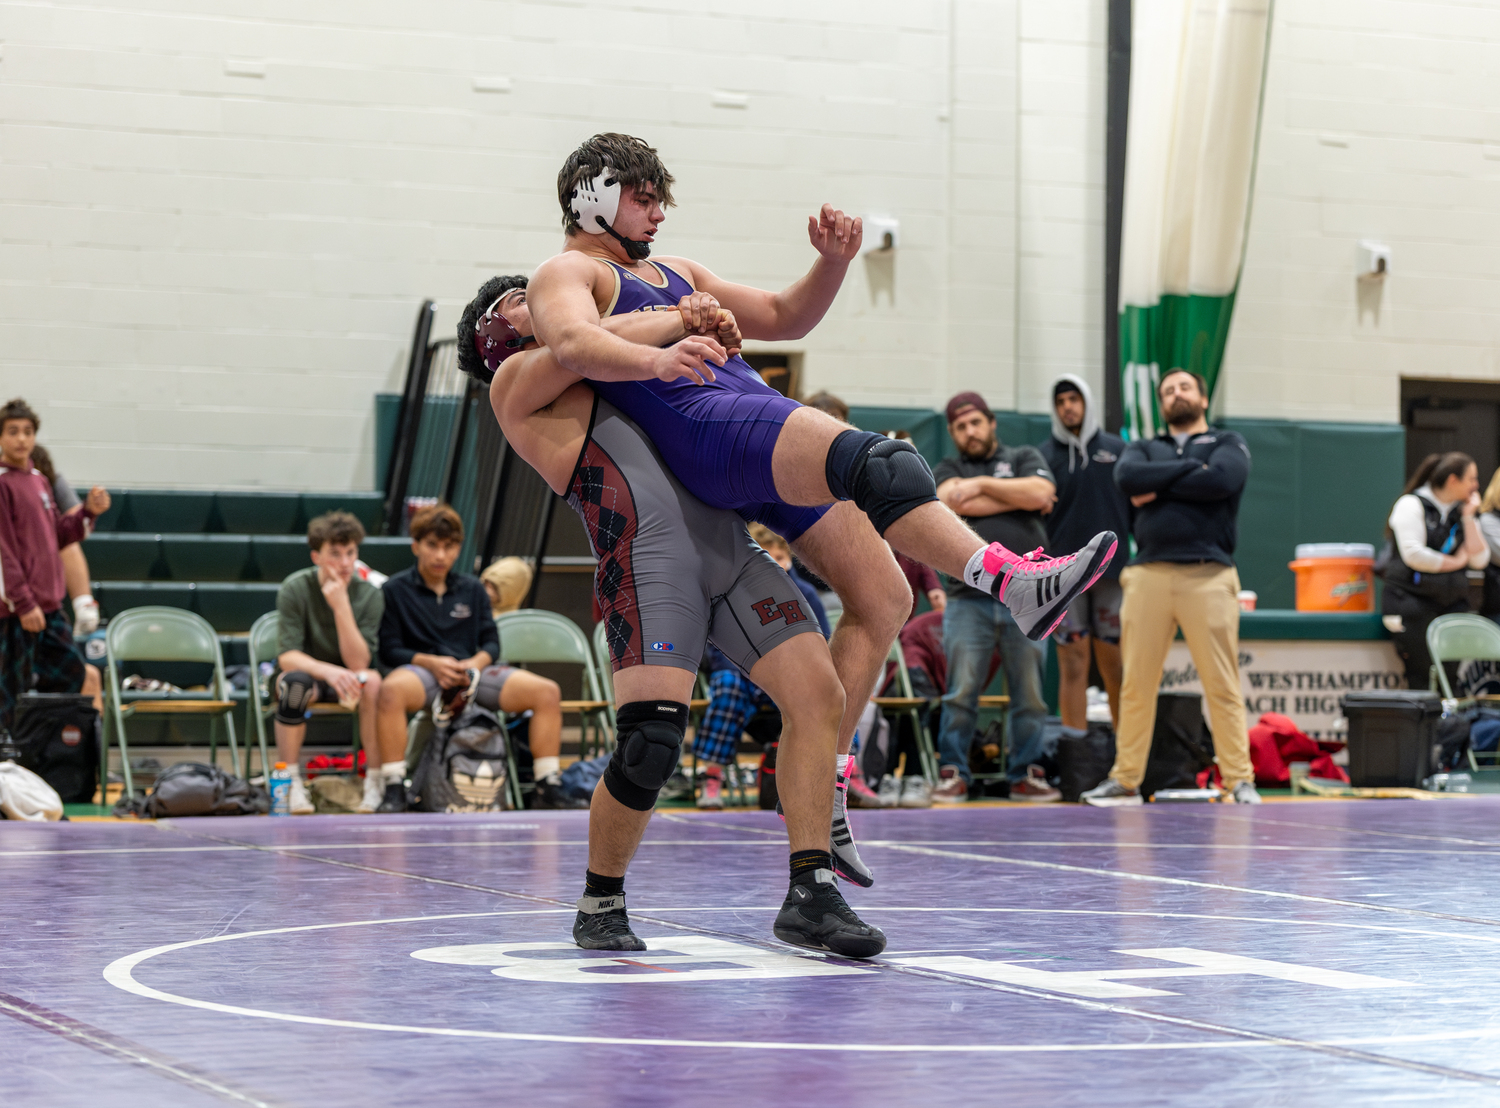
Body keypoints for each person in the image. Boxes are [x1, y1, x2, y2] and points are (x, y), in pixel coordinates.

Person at [526, 132, 1115, 813]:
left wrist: (832, 264)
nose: (659, 215)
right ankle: (1012, 580)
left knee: (884, 594)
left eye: (661, 201)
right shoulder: (567, 274)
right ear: (593, 196)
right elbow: (571, 343)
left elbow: (784, 315)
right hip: (707, 426)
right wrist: (659, 354)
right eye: (644, 200)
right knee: (885, 463)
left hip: (751, 413)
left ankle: (823, 788)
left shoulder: (679, 270)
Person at [472, 274, 885, 956]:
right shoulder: (518, 380)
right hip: (646, 566)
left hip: (728, 551)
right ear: (491, 331)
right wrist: (681, 316)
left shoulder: (609, 354)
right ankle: (602, 894)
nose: (539, 294)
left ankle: (810, 889)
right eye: (519, 297)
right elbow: (584, 347)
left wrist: (711, 328)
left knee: (818, 693)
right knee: (651, 744)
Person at [1082, 369, 1260, 806]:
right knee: (1135, 682)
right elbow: (1128, 479)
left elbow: (1223, 479)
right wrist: (1190, 471)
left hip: (1210, 574)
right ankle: (1126, 779)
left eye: (1184, 387)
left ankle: (1239, 779)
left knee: (1221, 681)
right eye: (1167, 391)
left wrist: (1158, 483)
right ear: (1161, 403)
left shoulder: (1227, 442)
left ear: (1202, 398)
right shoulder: (1142, 447)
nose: (1175, 394)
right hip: (1148, 575)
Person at [375, 504, 574, 812]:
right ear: (416, 545)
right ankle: (393, 787)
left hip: (475, 673)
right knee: (390, 690)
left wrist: (474, 665)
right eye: (432, 546)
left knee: (547, 691)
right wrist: (431, 662)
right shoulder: (394, 590)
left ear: (458, 548)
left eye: (449, 546)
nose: (440, 555)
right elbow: (389, 649)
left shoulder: (473, 589)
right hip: (424, 672)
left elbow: (492, 643)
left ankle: (547, 785)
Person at [930, 392, 1060, 804]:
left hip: (1029, 596)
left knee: (1031, 693)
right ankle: (954, 773)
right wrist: (1011, 496)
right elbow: (948, 502)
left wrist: (983, 487)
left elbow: (1041, 493)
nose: (970, 432)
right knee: (961, 690)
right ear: (952, 433)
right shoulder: (948, 468)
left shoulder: (1023, 454)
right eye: (961, 427)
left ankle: (1026, 774)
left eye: (976, 423)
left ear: (991, 423)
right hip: (969, 596)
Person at [694, 523, 833, 811]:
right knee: (728, 688)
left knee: (831, 691)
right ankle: (712, 776)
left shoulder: (806, 592)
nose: (777, 567)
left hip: (792, 678)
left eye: (782, 559)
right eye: (768, 559)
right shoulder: (729, 590)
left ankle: (840, 775)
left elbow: (824, 643)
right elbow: (716, 647)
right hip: (741, 675)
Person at [0, 398, 108, 732]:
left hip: (49, 609)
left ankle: (48, 755)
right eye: (13, 432)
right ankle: (7, 769)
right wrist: (23, 602)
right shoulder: (2, 483)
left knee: (72, 675)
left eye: (28, 432)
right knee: (9, 696)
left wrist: (88, 513)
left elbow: (56, 536)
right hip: (19, 612)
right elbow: (4, 551)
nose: (21, 439)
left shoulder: (38, 480)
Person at [271, 511, 385, 815]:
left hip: (351, 679)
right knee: (293, 685)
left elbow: (360, 661)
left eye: (351, 553)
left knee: (373, 681)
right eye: (335, 554)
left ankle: (374, 781)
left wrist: (341, 606)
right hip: (311, 675)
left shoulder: (370, 595)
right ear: (316, 556)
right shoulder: (296, 588)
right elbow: (288, 657)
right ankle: (291, 781)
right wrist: (330, 672)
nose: (346, 563)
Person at [1039, 376, 1130, 728]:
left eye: (1074, 399)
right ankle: (1075, 754)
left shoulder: (1118, 450)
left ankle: (1127, 760)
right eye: (1061, 401)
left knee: (1116, 664)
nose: (1068, 407)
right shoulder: (1044, 457)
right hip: (1065, 577)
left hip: (1113, 575)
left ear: (1087, 402)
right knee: (1073, 663)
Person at [1380, 452, 1486, 687]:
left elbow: (1480, 559)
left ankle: (1449, 725)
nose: (1476, 486)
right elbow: (1415, 555)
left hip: (1451, 604)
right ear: (1452, 480)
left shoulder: (1462, 511)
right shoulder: (1411, 504)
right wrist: (1457, 563)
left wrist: (1469, 518)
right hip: (1411, 603)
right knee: (1422, 675)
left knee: (1450, 679)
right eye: (1471, 479)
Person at [29, 445, 100, 635]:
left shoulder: (50, 479)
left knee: (66, 543)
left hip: (42, 555)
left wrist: (89, 511)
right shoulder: (6, 482)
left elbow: (73, 522)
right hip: (13, 555)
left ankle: (85, 607)